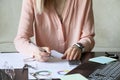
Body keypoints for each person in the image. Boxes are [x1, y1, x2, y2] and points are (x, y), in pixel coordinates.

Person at [14, 0, 95, 62]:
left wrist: (79, 46)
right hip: (46, 68)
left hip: (74, 66)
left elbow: (88, 37)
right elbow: (20, 40)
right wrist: (35, 51)